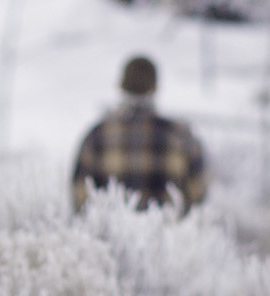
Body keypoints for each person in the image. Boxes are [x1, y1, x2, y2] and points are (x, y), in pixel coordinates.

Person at [71, 55, 208, 211]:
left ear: (121, 85)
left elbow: (80, 198)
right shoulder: (181, 136)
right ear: (155, 87)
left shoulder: (97, 136)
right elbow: (199, 195)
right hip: (169, 233)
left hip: (107, 235)